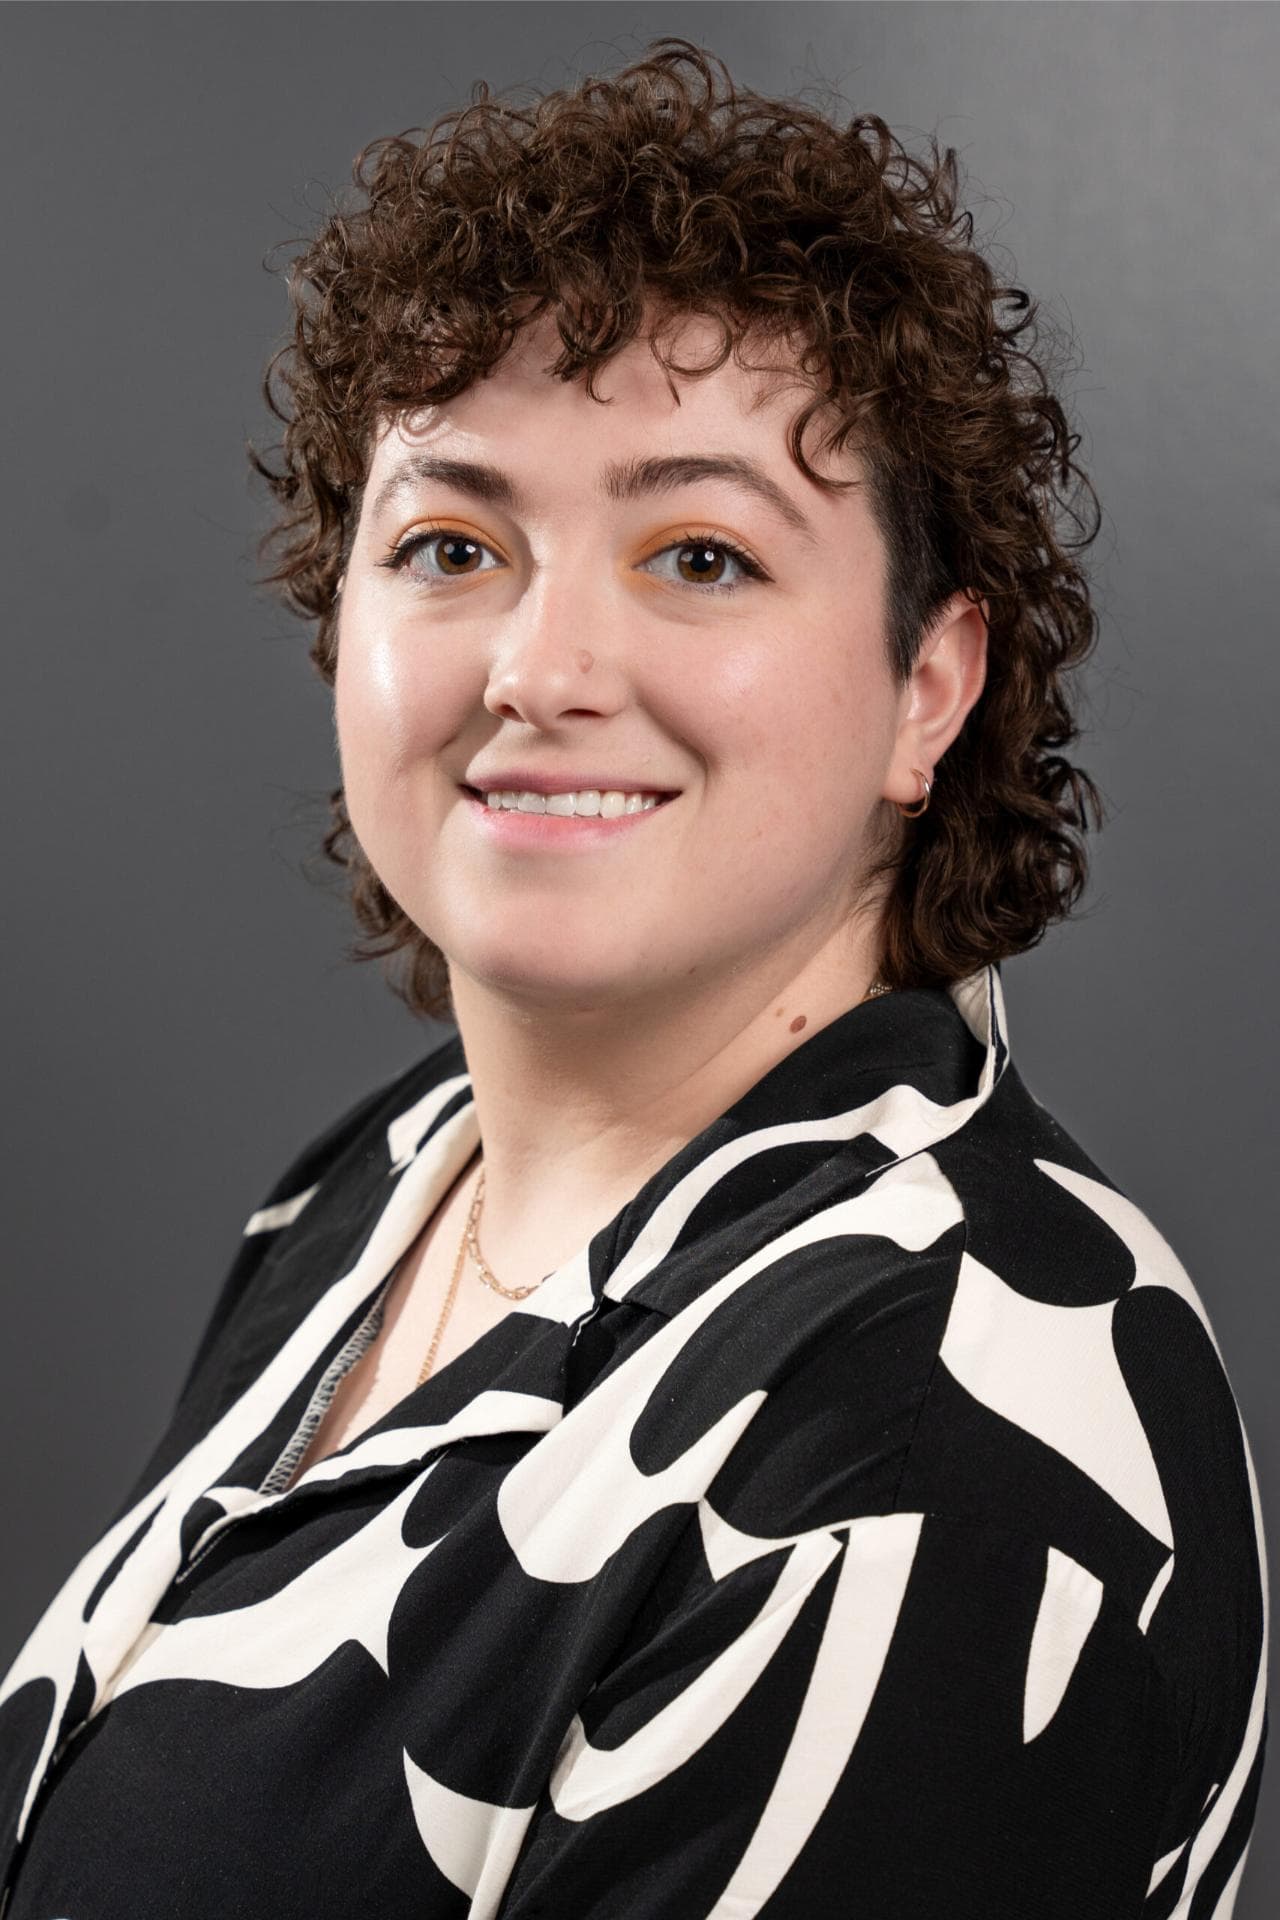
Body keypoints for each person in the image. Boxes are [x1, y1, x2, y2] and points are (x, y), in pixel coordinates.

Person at [0, 37, 1267, 1920]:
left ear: (931, 684)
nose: (543, 664)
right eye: (451, 543)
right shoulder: (368, 1195)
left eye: (698, 554)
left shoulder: (943, 1414)